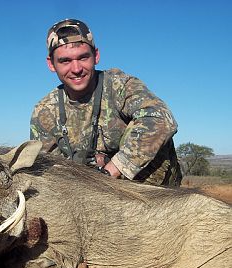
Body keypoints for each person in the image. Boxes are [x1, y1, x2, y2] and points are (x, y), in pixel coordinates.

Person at [30, 18, 182, 186]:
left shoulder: (119, 85)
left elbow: (161, 118)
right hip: (89, 193)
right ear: (51, 64)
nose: (76, 69)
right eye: (65, 61)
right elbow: (50, 171)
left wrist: (110, 171)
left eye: (83, 57)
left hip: (149, 190)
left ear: (96, 56)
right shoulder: (44, 112)